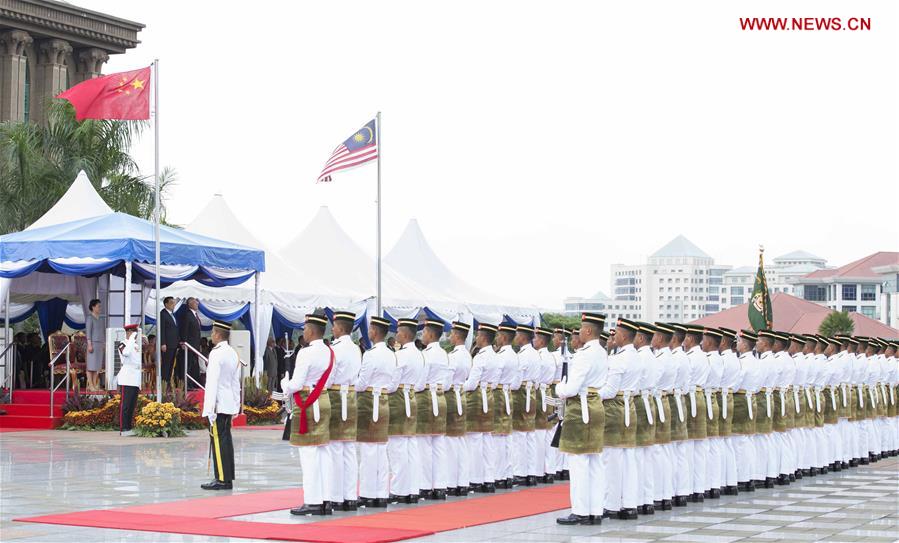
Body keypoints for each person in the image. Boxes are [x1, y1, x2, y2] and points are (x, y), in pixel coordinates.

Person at [555, 312, 608, 526]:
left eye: (581, 328)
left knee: (578, 462)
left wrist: (559, 388)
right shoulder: (602, 352)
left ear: (588, 330)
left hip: (581, 408)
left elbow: (571, 388)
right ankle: (595, 510)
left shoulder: (585, 354)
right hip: (596, 404)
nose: (579, 332)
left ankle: (580, 510)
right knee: (595, 461)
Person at [283, 314, 334, 515]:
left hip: (307, 402)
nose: (303, 332)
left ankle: (312, 500)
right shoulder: (330, 352)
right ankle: (325, 499)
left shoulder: (306, 353)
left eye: (304, 328)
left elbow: (295, 384)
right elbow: (329, 381)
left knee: (309, 454)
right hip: (323, 399)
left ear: (312, 331)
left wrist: (284, 385)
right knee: (323, 452)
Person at [355, 316, 395, 507]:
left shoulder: (370, 354)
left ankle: (368, 493)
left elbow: (362, 384)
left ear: (375, 332)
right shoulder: (391, 353)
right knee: (381, 449)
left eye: (370, 328)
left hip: (370, 401)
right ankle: (381, 493)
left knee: (368, 450)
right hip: (384, 399)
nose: (368, 331)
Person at [603, 318, 639, 520]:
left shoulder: (618, 359)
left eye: (616, 332)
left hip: (616, 409)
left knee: (612, 460)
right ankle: (630, 504)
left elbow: (609, 391)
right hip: (629, 406)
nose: (613, 336)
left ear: (624, 335)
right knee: (629, 459)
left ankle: (612, 504)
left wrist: (589, 393)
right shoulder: (638, 357)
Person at [201, 321, 241, 491]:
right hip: (228, 402)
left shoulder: (216, 353)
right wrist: (237, 405)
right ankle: (227, 476)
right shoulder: (232, 353)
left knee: (218, 441)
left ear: (217, 334)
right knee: (225, 440)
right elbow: (235, 382)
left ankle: (222, 479)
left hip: (217, 403)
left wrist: (209, 408)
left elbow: (212, 383)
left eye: (212, 333)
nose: (211, 336)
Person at [328, 311, 362, 511]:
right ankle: (350, 496)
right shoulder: (356, 349)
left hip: (335, 396)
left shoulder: (335, 349)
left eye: (334, 326)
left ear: (340, 328)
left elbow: (330, 376)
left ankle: (336, 496)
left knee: (335, 449)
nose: (332, 330)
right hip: (350, 397)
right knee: (349, 449)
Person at [389, 318, 424, 503]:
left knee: (397, 448)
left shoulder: (400, 355)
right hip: (412, 397)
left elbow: (392, 384)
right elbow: (420, 383)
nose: (396, 335)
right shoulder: (419, 354)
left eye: (398, 331)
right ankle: (412, 488)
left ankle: (399, 489)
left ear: (404, 334)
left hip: (399, 399)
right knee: (411, 446)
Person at [463, 323, 499, 493]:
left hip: (477, 397)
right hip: (489, 395)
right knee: (487, 440)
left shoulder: (480, 357)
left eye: (478, 335)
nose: (476, 338)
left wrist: (457, 387)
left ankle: (475, 479)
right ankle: (488, 479)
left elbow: (471, 384)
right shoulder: (496, 356)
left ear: (483, 338)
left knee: (475, 441)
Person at [419, 319, 450, 499]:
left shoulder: (427, 355)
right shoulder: (444, 354)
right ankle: (440, 486)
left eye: (423, 332)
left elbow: (420, 382)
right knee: (439, 445)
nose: (422, 335)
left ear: (430, 334)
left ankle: (425, 485)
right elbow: (446, 383)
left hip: (427, 399)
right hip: (440, 397)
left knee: (425, 445)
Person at [445, 321, 472, 495]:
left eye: (451, 333)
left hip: (452, 396)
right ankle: (462, 481)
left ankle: (451, 481)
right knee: (461, 441)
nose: (449, 336)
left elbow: (447, 382)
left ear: (457, 336)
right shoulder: (467, 355)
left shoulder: (453, 356)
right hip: (461, 395)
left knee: (451, 442)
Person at [512, 325, 539, 487]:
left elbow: (516, 381)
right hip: (532, 392)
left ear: (523, 337)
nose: (515, 338)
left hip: (522, 393)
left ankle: (520, 472)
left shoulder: (522, 355)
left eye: (517, 335)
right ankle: (531, 473)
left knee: (519, 436)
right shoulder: (536, 354)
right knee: (530, 435)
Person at [493, 324, 518, 489]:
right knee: (507, 437)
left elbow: (494, 380)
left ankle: (499, 475)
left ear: (503, 337)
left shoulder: (501, 356)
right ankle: (507, 474)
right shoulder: (514, 355)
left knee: (498, 438)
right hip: (508, 393)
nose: (496, 338)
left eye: (498, 335)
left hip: (499, 394)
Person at [533, 327, 556, 483]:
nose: (533, 340)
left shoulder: (539, 357)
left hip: (541, 393)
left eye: (535, 338)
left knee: (540, 434)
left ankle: (540, 470)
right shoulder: (551, 357)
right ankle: (550, 469)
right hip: (548, 393)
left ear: (541, 340)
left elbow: (535, 378)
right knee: (548, 432)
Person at [116, 324, 142, 436]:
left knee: (132, 404)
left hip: (135, 377)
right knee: (125, 405)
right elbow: (125, 353)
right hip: (127, 377)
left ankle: (129, 427)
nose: (135, 336)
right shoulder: (123, 344)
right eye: (133, 333)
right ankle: (123, 429)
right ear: (128, 332)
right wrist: (131, 339)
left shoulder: (135, 345)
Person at [179, 297, 203, 388]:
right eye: (195, 302)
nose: (197, 303)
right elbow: (184, 330)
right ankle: (187, 384)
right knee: (188, 365)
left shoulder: (195, 315)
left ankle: (193, 383)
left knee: (194, 365)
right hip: (189, 346)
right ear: (190, 304)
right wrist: (184, 343)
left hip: (195, 345)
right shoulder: (187, 315)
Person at [85, 299, 105, 392]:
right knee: (90, 365)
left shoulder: (101, 318)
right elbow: (88, 332)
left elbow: (103, 332)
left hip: (100, 343)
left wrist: (104, 343)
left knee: (97, 366)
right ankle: (91, 385)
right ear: (93, 307)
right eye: (98, 306)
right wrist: (89, 344)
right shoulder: (89, 318)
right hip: (92, 343)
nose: (100, 308)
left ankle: (94, 385)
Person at [159, 296, 180, 385]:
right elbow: (162, 329)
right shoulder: (163, 314)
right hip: (167, 344)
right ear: (166, 304)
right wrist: (163, 343)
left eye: (174, 303)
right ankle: (164, 382)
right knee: (166, 364)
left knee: (171, 364)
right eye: (171, 303)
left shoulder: (172, 314)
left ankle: (167, 382)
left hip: (174, 343)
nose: (173, 305)